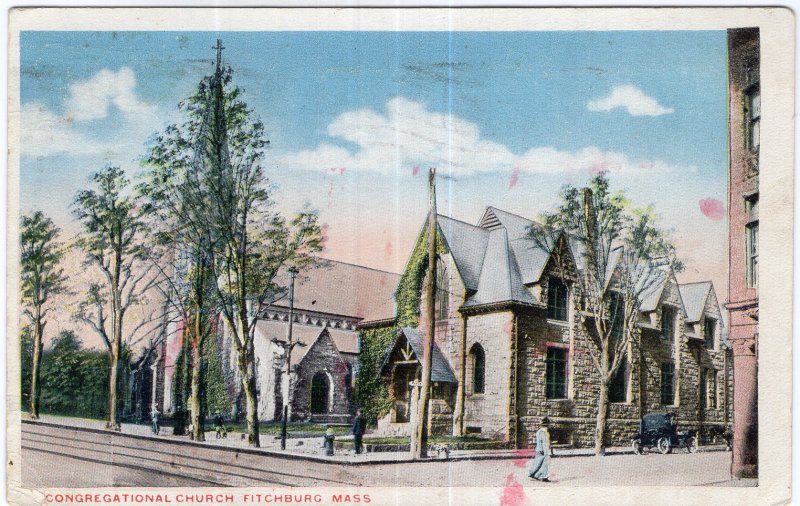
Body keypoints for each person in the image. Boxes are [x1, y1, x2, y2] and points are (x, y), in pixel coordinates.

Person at [528, 417, 551, 482]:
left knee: (545, 464)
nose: (547, 426)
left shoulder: (546, 432)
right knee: (538, 463)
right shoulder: (540, 432)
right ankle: (532, 474)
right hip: (541, 450)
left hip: (545, 449)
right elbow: (539, 441)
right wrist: (541, 449)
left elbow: (548, 441)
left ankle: (544, 477)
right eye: (546, 425)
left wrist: (550, 449)